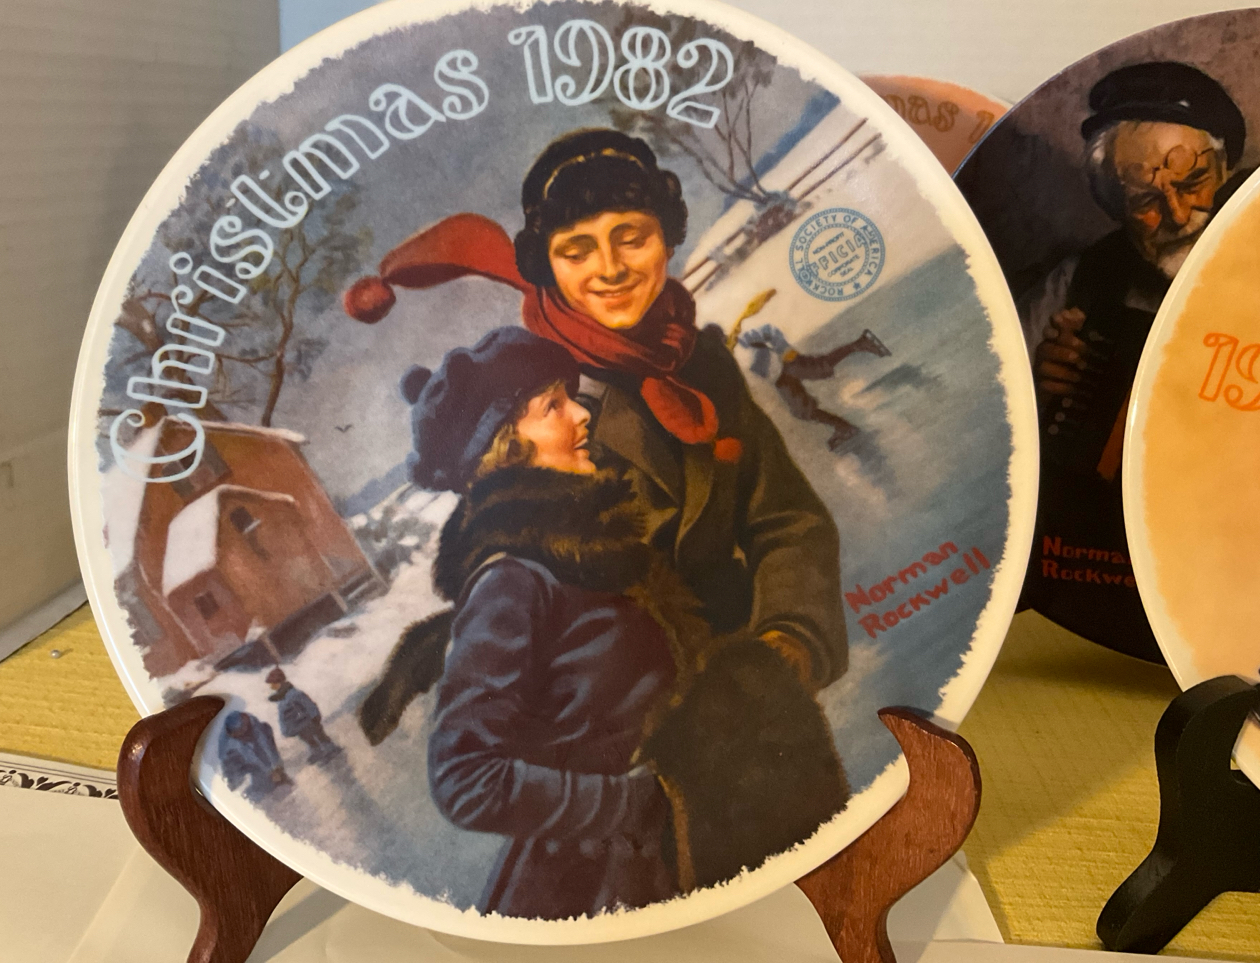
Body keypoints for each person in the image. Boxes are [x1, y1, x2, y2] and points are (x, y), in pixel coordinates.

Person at [344, 128, 847, 690]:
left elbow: (786, 519)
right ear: (547, 267)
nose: (610, 269)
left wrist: (792, 639)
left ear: (666, 243)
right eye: (576, 251)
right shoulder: (530, 411)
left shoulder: (703, 365)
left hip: (757, 677)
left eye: (632, 238)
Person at [399, 327, 845, 919]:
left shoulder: (592, 543)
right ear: (505, 450)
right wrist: (634, 803)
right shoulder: (510, 580)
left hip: (683, 838)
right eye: (552, 406)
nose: (581, 413)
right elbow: (464, 778)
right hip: (609, 877)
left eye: (570, 396)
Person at [1013, 62, 1256, 659]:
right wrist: (1038, 390)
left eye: (1193, 181)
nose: (1177, 213)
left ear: (1225, 171)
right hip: (1099, 583)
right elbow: (982, 426)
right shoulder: (1076, 281)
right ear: (1113, 203)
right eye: (1146, 198)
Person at [738, 323, 891, 449]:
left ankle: (861, 343)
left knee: (819, 368)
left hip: (783, 364)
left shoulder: (744, 338)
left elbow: (767, 333)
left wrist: (782, 350)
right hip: (777, 377)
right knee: (801, 409)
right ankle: (844, 428)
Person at [266, 668, 339, 764]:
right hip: (298, 725)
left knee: (319, 735)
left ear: (280, 682)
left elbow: (308, 704)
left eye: (273, 683)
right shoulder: (282, 696)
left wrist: (315, 716)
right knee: (308, 739)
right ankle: (317, 752)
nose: (271, 686)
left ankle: (331, 749)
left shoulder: (294, 694)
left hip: (307, 722)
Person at [218, 710, 290, 800]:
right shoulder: (230, 750)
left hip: (260, 764)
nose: (245, 731)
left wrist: (277, 767)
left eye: (245, 727)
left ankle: (278, 778)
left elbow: (266, 744)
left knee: (266, 730)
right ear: (234, 734)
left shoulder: (253, 722)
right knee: (259, 783)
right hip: (242, 774)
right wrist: (269, 773)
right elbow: (250, 759)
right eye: (241, 731)